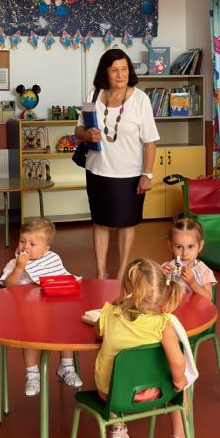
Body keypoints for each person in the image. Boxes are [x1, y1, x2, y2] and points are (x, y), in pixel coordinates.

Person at [94, 257, 205, 438]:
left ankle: (117, 424)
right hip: (153, 392)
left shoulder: (110, 314)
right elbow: (177, 360)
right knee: (181, 386)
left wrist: (115, 304)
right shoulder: (162, 324)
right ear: (162, 293)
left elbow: (97, 332)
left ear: (127, 291)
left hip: (110, 395)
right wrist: (179, 381)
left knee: (114, 372)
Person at [75, 49, 159, 281]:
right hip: (97, 171)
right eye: (114, 70)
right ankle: (101, 272)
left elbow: (150, 141)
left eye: (124, 69)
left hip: (130, 174)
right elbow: (78, 130)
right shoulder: (94, 95)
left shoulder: (140, 99)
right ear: (106, 72)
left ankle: (122, 272)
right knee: (100, 222)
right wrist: (86, 135)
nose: (120, 75)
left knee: (126, 223)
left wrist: (147, 174)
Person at [0, 217, 83, 397]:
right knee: (30, 335)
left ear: (46, 249)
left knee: (67, 326)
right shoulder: (15, 263)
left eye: (32, 243)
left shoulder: (52, 259)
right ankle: (32, 374)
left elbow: (62, 279)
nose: (25, 247)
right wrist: (19, 269)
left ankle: (66, 367)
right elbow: (9, 286)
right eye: (22, 241)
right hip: (26, 314)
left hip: (52, 311)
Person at [162, 218, 216, 301]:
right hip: (172, 311)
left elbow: (208, 298)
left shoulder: (203, 271)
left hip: (196, 312)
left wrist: (192, 283)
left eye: (190, 247)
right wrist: (161, 276)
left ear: (200, 246)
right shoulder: (167, 267)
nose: (184, 253)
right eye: (179, 247)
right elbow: (157, 293)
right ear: (170, 246)